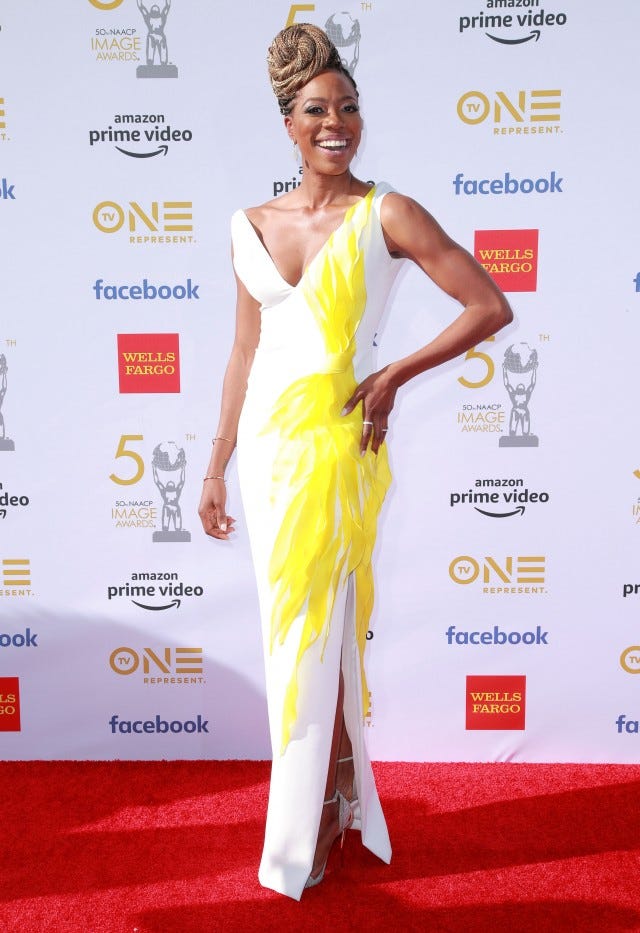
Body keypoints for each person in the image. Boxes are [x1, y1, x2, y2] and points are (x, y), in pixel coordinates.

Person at [198, 23, 513, 900]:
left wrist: (394, 374)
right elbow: (243, 351)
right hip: (268, 455)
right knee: (299, 643)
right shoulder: (249, 226)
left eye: (348, 107)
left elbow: (488, 305)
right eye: (315, 110)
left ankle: (303, 829)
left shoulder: (389, 213)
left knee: (315, 640)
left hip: (338, 452)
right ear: (288, 125)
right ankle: (335, 798)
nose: (335, 123)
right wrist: (216, 462)